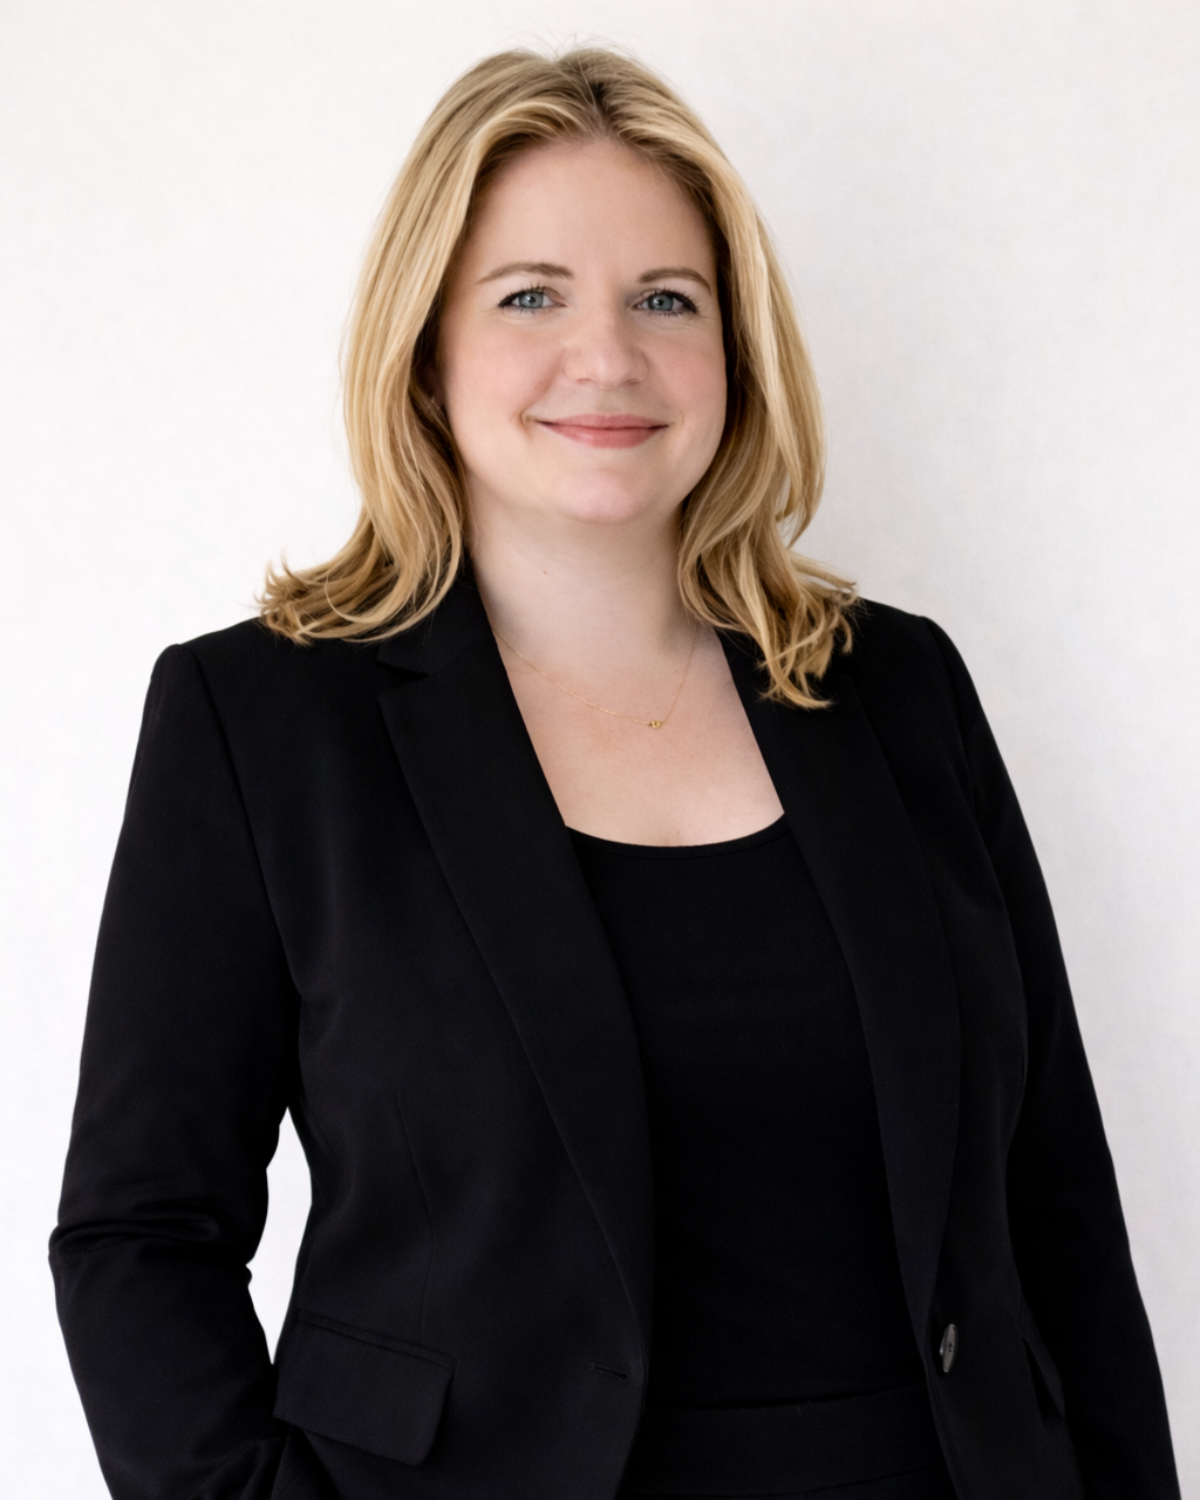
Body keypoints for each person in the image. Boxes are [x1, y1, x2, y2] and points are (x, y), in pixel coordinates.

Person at [50, 46, 1179, 1500]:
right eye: (530, 296)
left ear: (735, 351)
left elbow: (1054, 1201)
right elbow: (140, 1232)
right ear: (427, 347)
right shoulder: (262, 721)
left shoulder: (896, 691)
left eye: (668, 299)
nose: (610, 358)